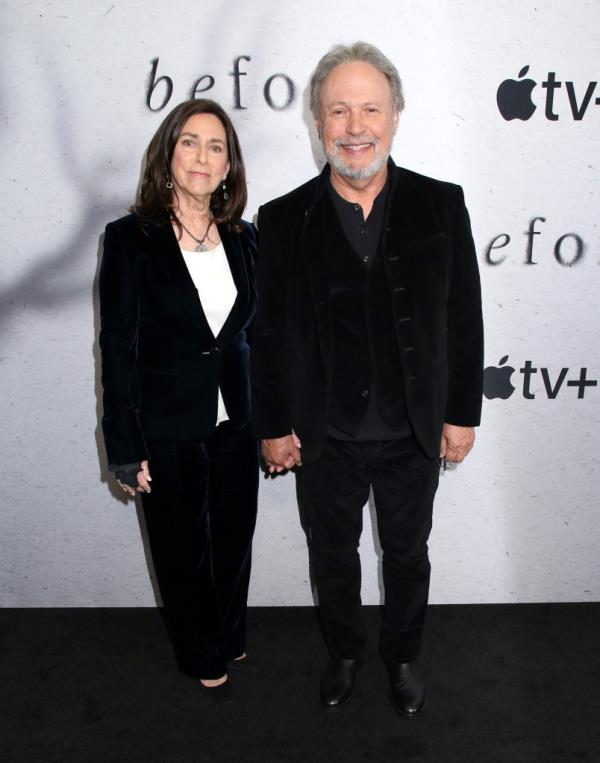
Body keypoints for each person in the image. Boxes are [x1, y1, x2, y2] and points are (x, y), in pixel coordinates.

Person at [251, 42, 483, 717]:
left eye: (370, 108)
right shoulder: (283, 217)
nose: (356, 126)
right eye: (339, 110)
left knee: (408, 554)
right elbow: (266, 334)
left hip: (413, 431)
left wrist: (462, 412)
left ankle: (403, 653)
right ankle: (345, 649)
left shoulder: (443, 205)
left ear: (396, 117)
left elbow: (463, 316)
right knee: (332, 556)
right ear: (318, 122)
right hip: (324, 435)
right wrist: (271, 424)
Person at [99, 99, 258, 694]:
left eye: (216, 147)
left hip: (236, 421)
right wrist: (124, 442)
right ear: (168, 155)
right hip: (166, 424)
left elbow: (255, 340)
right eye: (190, 142)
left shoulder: (245, 240)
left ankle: (230, 633)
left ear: (228, 167)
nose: (202, 156)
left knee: (234, 537)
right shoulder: (129, 239)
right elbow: (116, 345)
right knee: (181, 548)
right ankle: (201, 654)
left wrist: (273, 422)